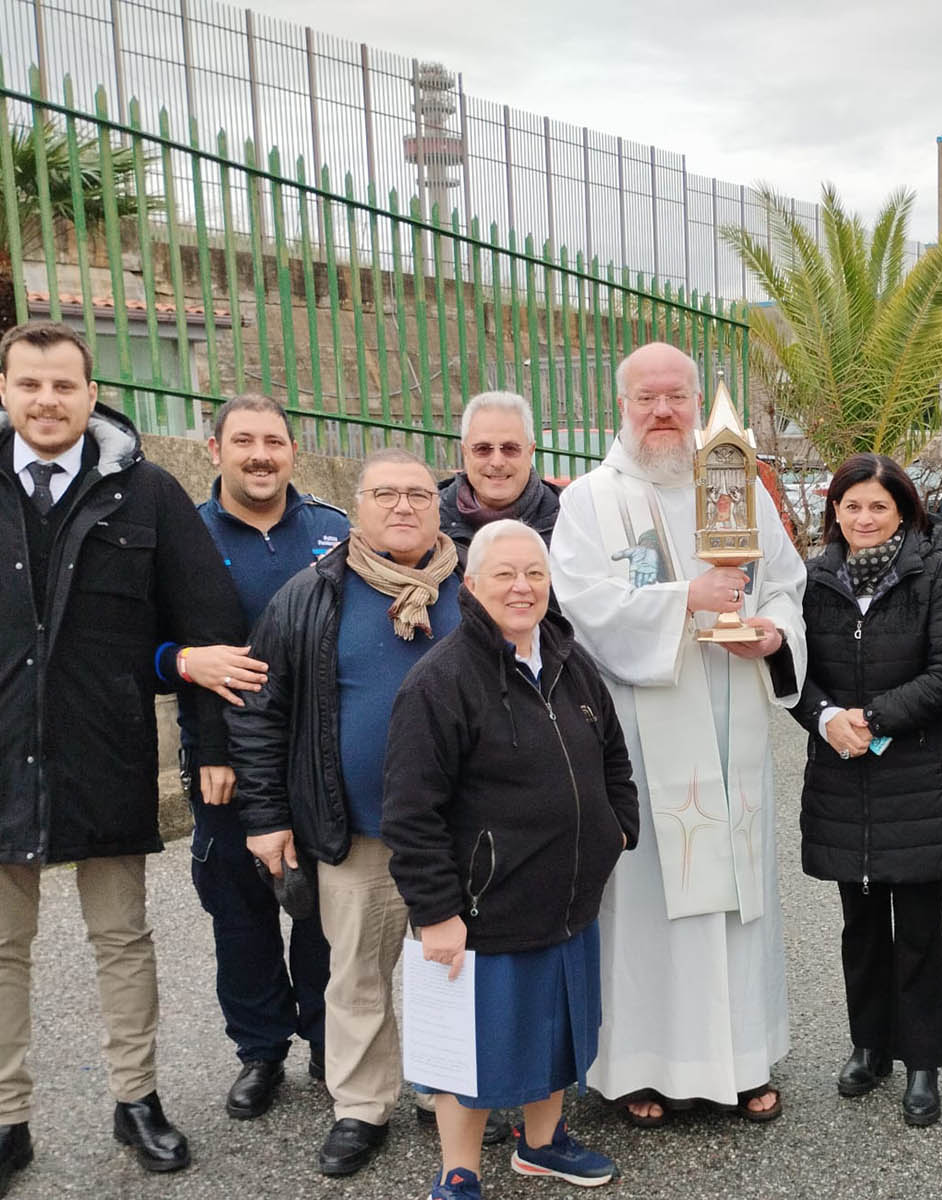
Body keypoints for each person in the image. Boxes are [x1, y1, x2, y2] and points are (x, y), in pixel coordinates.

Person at [0, 320, 243, 1196]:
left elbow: (208, 629)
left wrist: (209, 747)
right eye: (30, 385)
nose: (47, 401)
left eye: (64, 386)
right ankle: (2, 1119)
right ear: (7, 389)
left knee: (122, 939)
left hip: (105, 753)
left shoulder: (149, 494)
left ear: (92, 395)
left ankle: (136, 1101)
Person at [549, 341, 806, 1127]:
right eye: (646, 398)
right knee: (649, 903)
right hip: (639, 728)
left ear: (698, 402)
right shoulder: (590, 501)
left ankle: (742, 1061)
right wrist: (685, 600)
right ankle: (640, 1068)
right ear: (620, 406)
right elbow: (581, 606)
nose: (663, 413)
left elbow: (788, 584)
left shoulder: (739, 488)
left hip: (731, 723)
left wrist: (769, 632)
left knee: (734, 898)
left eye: (677, 397)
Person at [382, 520, 639, 1198]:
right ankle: (458, 1172)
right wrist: (436, 911)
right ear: (470, 584)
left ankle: (543, 1143)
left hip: (569, 900)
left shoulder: (567, 659)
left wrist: (620, 828)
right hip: (483, 909)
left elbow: (613, 754)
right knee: (471, 1052)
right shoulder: (439, 682)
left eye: (536, 575)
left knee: (556, 1032)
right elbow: (411, 812)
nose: (522, 588)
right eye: (505, 574)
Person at [230, 447, 462, 1177]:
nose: (403, 507)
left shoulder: (477, 590)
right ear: (357, 507)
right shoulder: (312, 594)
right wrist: (265, 816)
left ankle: (445, 1090)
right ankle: (361, 1106)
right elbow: (260, 712)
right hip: (354, 828)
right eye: (386, 494)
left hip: (458, 830)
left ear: (438, 506)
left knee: (449, 969)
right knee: (355, 973)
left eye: (418, 495)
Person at [159, 393, 346, 1121]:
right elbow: (149, 649)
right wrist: (182, 665)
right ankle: (261, 1050)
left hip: (319, 761)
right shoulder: (185, 537)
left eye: (273, 440)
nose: (260, 454)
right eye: (244, 441)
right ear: (214, 451)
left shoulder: (333, 533)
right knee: (239, 912)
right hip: (225, 763)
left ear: (292, 451)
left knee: (326, 912)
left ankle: (334, 1044)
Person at [792, 454, 942, 1127]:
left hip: (918, 779)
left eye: (878, 506)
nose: (864, 518)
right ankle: (870, 1045)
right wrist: (822, 716)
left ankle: (923, 1061)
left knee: (919, 928)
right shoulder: (812, 579)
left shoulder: (935, 573)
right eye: (851, 506)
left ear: (903, 510)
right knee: (860, 924)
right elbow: (790, 668)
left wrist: (872, 718)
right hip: (843, 775)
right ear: (833, 510)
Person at [438, 391, 561, 548]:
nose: (497, 462)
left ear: (530, 451)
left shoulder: (568, 523)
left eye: (510, 448)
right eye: (483, 449)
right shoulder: (429, 523)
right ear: (465, 453)